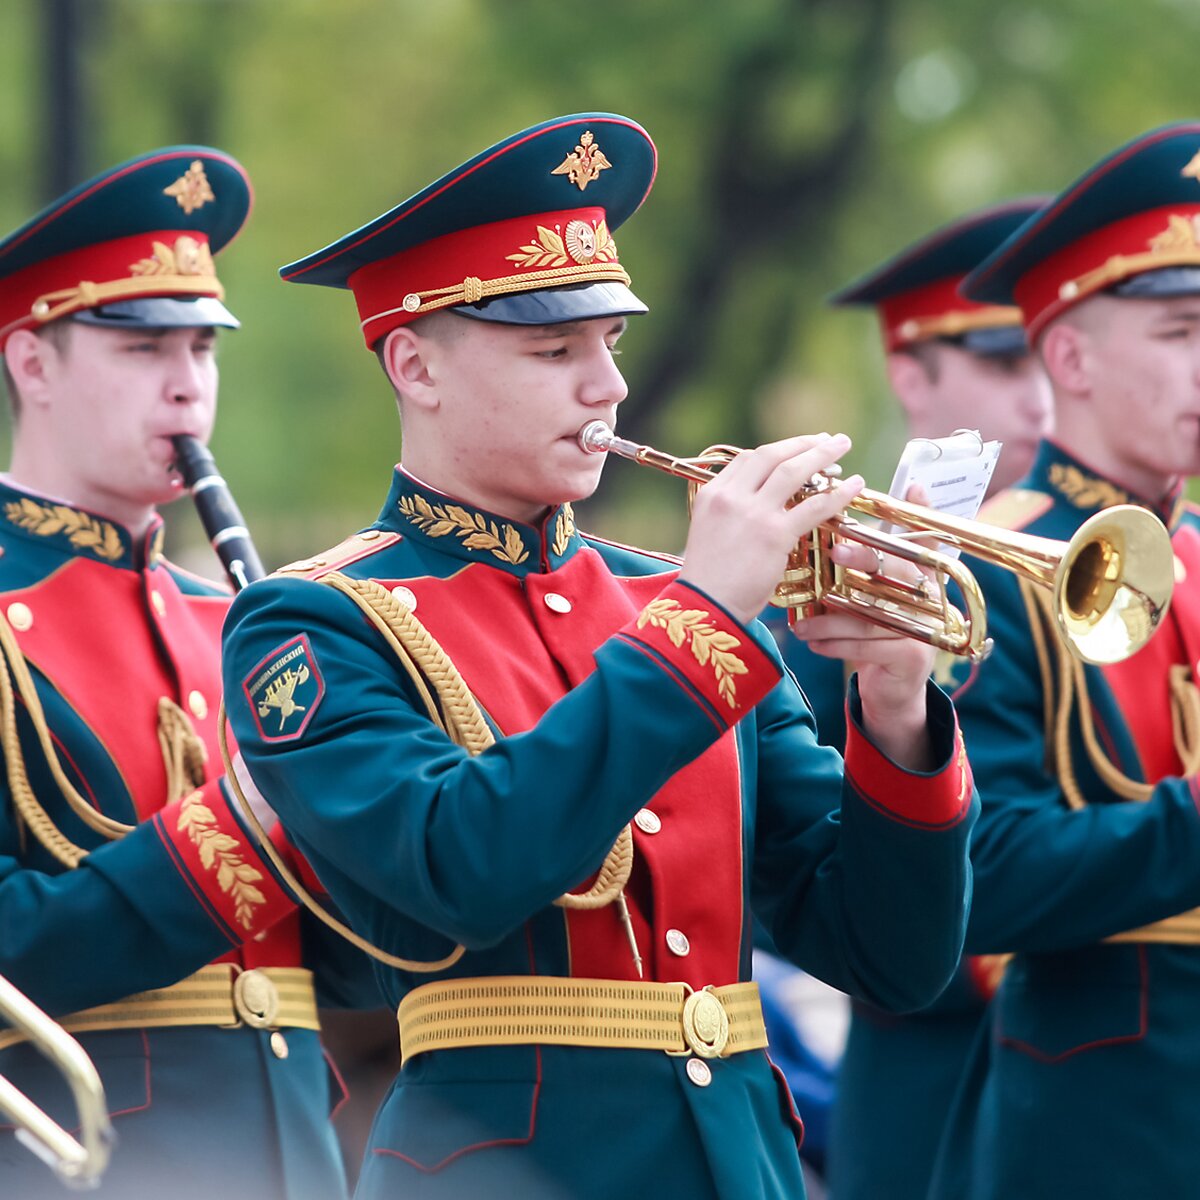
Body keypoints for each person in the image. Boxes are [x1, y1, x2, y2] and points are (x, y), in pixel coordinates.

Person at [220, 112, 978, 1200]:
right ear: (414, 365)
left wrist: (898, 705)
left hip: (743, 1166)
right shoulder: (313, 620)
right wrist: (704, 616)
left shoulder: (678, 604)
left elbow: (893, 961)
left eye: (609, 343)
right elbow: (460, 869)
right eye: (552, 349)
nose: (607, 386)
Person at [0, 148, 351, 1198]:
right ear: (33, 362)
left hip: (294, 1155)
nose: (189, 382)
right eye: (144, 345)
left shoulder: (243, 619)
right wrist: (236, 832)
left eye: (202, 345)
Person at [923, 121, 1200, 1199]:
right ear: (1071, 358)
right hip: (1098, 1123)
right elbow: (976, 879)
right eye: (1181, 331)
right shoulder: (989, 565)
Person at [764, 201, 1052, 1200]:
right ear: (910, 374)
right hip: (928, 1082)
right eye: (1008, 362)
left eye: (1054, 359)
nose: (1043, 397)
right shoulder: (811, 583)